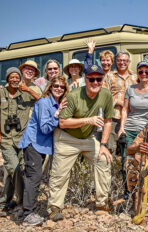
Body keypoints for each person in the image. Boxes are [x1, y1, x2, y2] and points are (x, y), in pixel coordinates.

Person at [47, 64, 114, 221]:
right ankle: (54, 206)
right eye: (92, 79)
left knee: (103, 161)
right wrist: (88, 120)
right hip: (66, 138)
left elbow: (108, 120)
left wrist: (103, 145)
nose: (95, 82)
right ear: (86, 79)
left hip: (88, 138)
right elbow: (63, 123)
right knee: (60, 173)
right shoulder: (73, 96)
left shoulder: (106, 94)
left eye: (99, 79)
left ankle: (102, 203)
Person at [18, 75, 68, 226]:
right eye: (56, 86)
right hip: (33, 144)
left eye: (62, 87)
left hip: (40, 145)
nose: (59, 89)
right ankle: (28, 214)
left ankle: (27, 210)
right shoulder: (44, 102)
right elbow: (45, 128)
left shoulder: (54, 102)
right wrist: (58, 113)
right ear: (50, 87)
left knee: (34, 177)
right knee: (34, 177)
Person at [0, 67, 37, 216]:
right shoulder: (0, 93)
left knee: (17, 171)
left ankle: (5, 201)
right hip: (6, 139)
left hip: (23, 138)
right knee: (14, 168)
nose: (15, 79)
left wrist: (28, 90)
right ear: (7, 78)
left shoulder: (25, 93)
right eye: (12, 77)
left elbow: (41, 100)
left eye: (17, 77)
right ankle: (22, 199)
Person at [118, 61, 148, 199]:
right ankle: (129, 189)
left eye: (147, 72)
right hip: (130, 128)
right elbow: (125, 110)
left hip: (146, 130)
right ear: (137, 73)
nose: (144, 74)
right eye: (141, 71)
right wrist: (121, 128)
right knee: (127, 158)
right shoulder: (130, 89)